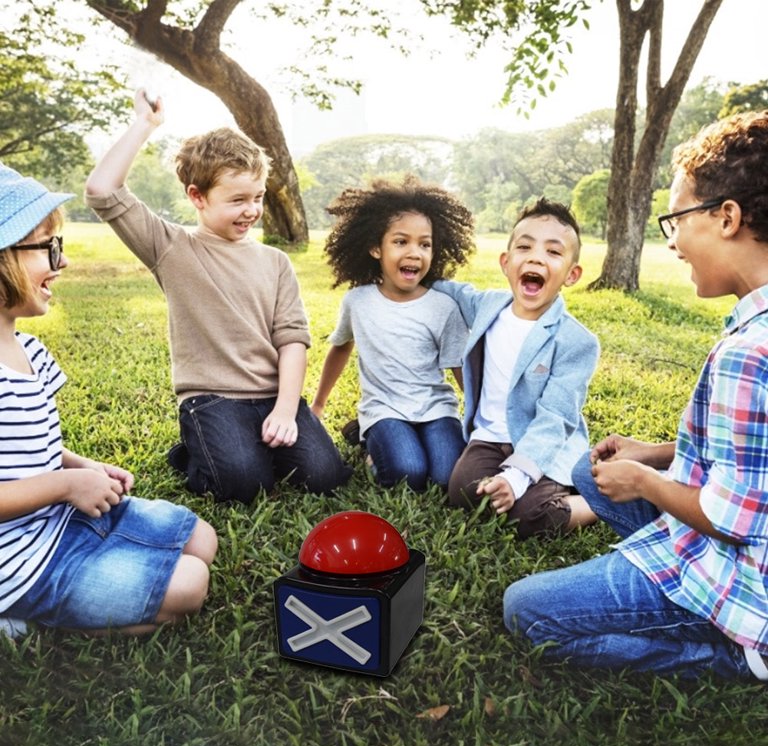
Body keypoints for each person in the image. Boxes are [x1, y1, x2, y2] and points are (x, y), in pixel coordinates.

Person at [503, 110, 768, 680]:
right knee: (586, 468)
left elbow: (736, 520)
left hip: (742, 576)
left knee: (527, 611)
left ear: (727, 217)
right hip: (736, 541)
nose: (672, 243)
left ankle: (736, 655)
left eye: (675, 220)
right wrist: (654, 453)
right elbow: (754, 455)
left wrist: (645, 482)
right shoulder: (755, 324)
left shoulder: (752, 352)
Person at [85, 90, 351, 505]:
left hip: (271, 395)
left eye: (258, 197)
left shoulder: (275, 261)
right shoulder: (170, 247)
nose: (251, 210)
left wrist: (284, 410)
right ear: (197, 197)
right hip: (211, 399)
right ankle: (195, 450)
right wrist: (146, 125)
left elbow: (292, 341)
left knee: (324, 476)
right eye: (238, 200)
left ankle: (249, 445)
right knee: (242, 485)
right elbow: (102, 191)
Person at [0, 162, 217, 638]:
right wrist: (64, 487)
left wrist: (82, 467)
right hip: (20, 564)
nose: (63, 263)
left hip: (61, 520)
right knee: (189, 586)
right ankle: (31, 621)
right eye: (48, 247)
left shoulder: (30, 349)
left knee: (203, 540)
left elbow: (26, 449)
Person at [432, 198, 599, 539]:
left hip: (543, 444)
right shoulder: (487, 306)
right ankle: (512, 487)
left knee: (527, 515)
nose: (536, 257)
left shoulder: (576, 341)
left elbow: (555, 418)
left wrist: (516, 477)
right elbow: (448, 288)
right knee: (463, 493)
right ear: (507, 263)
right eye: (525, 247)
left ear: (572, 274)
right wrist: (409, 272)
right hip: (490, 439)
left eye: (553, 252)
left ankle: (593, 502)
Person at [310, 177, 474, 491]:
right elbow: (341, 347)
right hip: (384, 409)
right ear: (375, 248)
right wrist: (319, 404)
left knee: (445, 478)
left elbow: (458, 366)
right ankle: (371, 444)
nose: (415, 252)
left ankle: (377, 438)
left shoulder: (443, 306)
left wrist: (483, 417)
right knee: (407, 473)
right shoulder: (358, 301)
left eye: (424, 244)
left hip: (436, 408)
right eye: (401, 242)